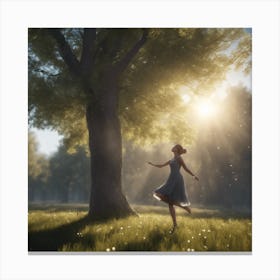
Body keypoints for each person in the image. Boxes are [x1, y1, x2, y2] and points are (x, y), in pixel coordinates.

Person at [148, 144, 199, 234]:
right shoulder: (171, 159)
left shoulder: (179, 158)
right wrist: (152, 164)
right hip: (170, 179)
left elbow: (186, 168)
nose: (172, 147)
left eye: (175, 147)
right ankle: (175, 223)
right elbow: (161, 166)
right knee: (166, 200)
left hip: (177, 179)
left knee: (166, 199)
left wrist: (193, 175)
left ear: (177, 150)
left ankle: (183, 208)